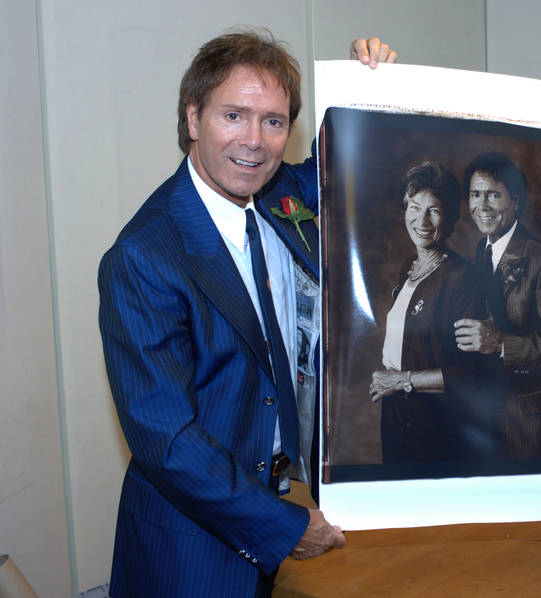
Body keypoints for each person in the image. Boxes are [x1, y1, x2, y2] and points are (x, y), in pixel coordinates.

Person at [98, 30, 396, 598]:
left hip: (289, 501)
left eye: (274, 121)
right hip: (193, 550)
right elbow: (168, 441)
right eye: (234, 115)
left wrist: (369, 83)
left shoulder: (282, 192)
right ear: (193, 118)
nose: (255, 142)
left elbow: (359, 154)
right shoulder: (144, 257)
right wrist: (283, 528)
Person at [368, 162, 500, 466]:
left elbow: (473, 374)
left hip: (439, 431)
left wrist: (402, 380)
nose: (422, 220)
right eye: (414, 207)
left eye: (435, 211)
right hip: (398, 418)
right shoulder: (408, 269)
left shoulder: (462, 279)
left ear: (450, 218)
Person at [453, 152, 541, 459]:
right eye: (475, 194)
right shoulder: (480, 249)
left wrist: (500, 344)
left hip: (528, 420)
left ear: (515, 201)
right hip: (483, 414)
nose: (481, 206)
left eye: (493, 195)